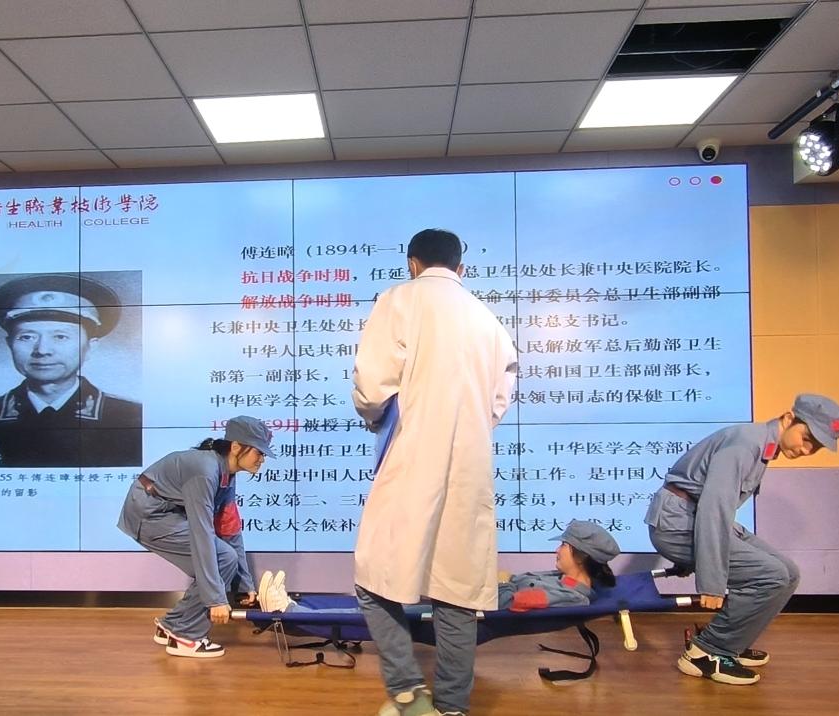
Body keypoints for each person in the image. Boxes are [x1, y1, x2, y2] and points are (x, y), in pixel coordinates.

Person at [350, 228, 519, 716]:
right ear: (461, 268)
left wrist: (374, 416)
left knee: (372, 578)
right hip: (470, 466)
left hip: (412, 458)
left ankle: (407, 690)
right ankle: (452, 707)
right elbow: (499, 400)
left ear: (412, 264)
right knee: (457, 591)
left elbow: (371, 385)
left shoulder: (399, 299)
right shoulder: (489, 320)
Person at [645, 393, 839, 685]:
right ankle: (707, 652)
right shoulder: (747, 443)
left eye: (816, 447)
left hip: (690, 519)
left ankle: (730, 642)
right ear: (788, 419)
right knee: (771, 576)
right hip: (678, 525)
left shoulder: (762, 444)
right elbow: (714, 509)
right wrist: (711, 582)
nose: (807, 450)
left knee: (788, 572)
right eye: (807, 438)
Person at [117, 416, 273, 658]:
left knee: (225, 557)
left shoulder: (226, 475)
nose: (262, 459)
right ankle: (185, 637)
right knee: (223, 558)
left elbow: (230, 530)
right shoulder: (205, 471)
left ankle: (172, 625)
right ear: (236, 447)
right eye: (259, 452)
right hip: (148, 515)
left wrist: (245, 585)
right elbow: (203, 534)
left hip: (166, 513)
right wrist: (216, 600)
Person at [0, 273, 141, 467]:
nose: (42, 350)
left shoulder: (131, 418)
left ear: (90, 346)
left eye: (60, 337)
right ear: (9, 344)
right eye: (27, 337)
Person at [256, 521, 621, 615]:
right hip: (466, 595)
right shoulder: (563, 579)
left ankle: (287, 610)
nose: (557, 550)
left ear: (581, 556)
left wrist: (495, 580)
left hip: (464, 605)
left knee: (383, 612)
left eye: (563, 546)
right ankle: (292, 605)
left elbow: (520, 600)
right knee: (385, 601)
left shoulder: (573, 594)